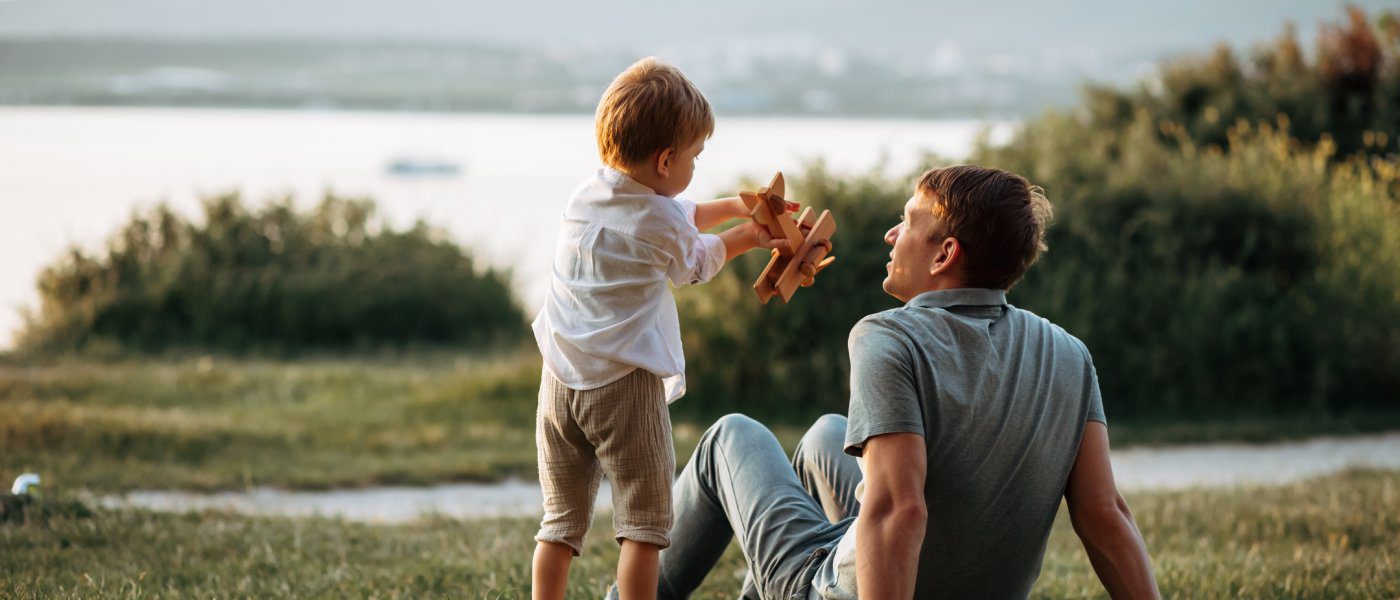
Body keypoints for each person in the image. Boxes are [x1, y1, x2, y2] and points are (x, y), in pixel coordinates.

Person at [632, 165, 1159, 599]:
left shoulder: (889, 338)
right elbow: (1104, 514)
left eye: (907, 221)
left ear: (944, 253)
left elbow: (899, 510)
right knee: (825, 435)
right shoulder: (1069, 353)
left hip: (851, 589)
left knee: (732, 436)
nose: (891, 234)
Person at [529, 57, 793, 600]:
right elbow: (692, 262)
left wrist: (739, 205)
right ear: (667, 159)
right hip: (622, 387)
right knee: (644, 527)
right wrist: (751, 233)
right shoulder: (660, 220)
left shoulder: (589, 194)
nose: (696, 165)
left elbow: (674, 214)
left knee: (560, 522)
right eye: (695, 156)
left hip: (559, 381)